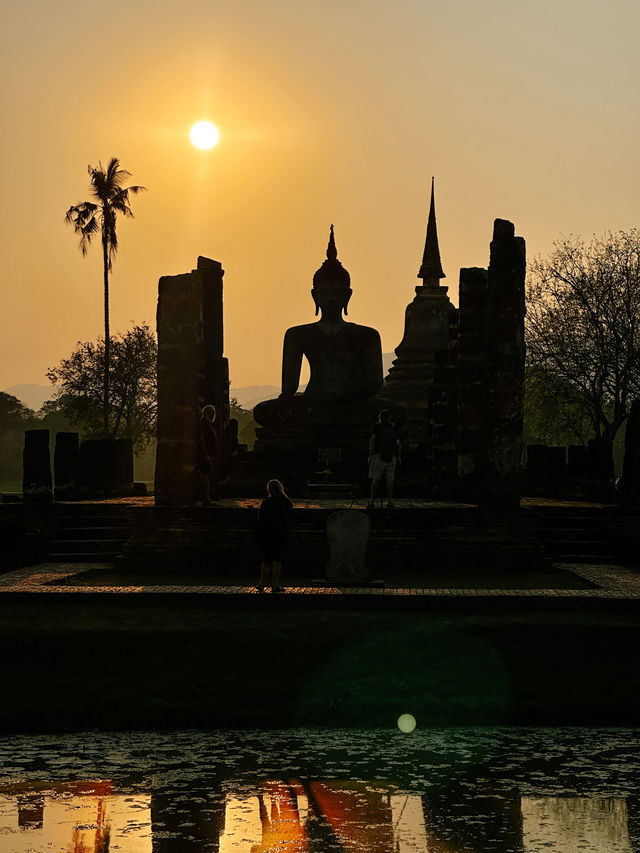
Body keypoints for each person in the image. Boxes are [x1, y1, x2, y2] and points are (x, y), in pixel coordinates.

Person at [256, 479, 293, 592]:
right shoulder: (286, 503)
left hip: (268, 534)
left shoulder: (266, 503)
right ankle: (275, 584)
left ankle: (261, 583)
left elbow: (260, 520)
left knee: (266, 559)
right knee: (277, 559)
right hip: (280, 533)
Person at [367, 409, 400, 508]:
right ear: (389, 417)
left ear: (380, 418)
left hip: (378, 456)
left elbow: (372, 442)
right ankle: (389, 502)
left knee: (376, 479)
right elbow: (398, 443)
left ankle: (372, 501)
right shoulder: (394, 427)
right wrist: (398, 456)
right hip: (391, 456)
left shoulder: (377, 427)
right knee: (390, 480)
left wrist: (370, 456)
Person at [196, 404, 218, 505]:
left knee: (207, 476)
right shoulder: (203, 424)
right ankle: (206, 498)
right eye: (211, 413)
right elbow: (201, 440)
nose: (213, 415)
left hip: (208, 453)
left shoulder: (207, 424)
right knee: (205, 476)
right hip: (205, 454)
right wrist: (205, 453)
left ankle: (206, 497)